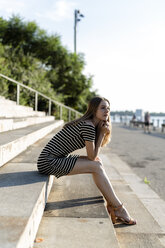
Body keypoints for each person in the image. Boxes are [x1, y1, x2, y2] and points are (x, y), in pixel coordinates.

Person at [37, 96, 136, 225]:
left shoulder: (90, 124)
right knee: (96, 165)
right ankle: (118, 208)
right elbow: (91, 157)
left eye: (108, 108)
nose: (106, 111)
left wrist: (101, 132)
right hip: (48, 161)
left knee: (98, 163)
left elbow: (93, 157)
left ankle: (114, 206)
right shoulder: (88, 126)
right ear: (94, 110)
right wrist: (101, 134)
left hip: (54, 158)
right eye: (102, 108)